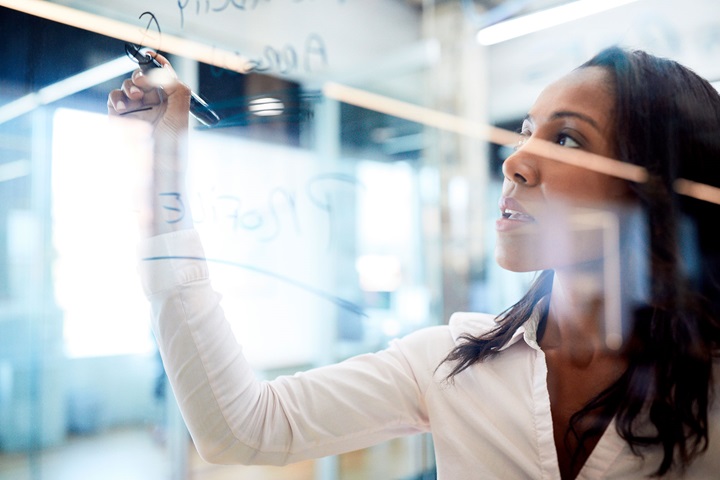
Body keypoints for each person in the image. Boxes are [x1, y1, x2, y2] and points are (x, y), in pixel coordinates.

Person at [108, 46, 720, 479]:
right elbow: (240, 429)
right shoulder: (451, 361)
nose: (514, 162)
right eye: (527, 130)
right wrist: (164, 172)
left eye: (566, 139)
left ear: (655, 190)